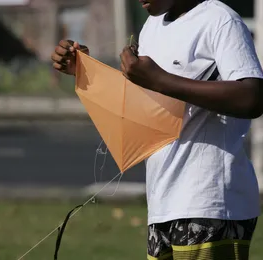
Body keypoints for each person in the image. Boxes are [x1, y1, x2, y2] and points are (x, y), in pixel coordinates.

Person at [51, 0, 263, 259]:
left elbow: (252, 97)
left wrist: (159, 80)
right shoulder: (150, 27)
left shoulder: (219, 19)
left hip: (210, 204)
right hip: (163, 205)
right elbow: (146, 112)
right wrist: (85, 71)